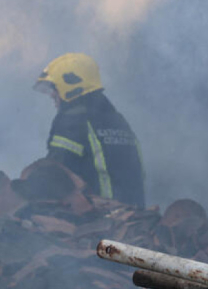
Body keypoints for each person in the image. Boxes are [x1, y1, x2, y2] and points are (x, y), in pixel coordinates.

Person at [32, 53, 146, 207]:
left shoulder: (72, 121)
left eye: (55, 88)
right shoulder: (118, 120)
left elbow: (55, 172)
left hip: (100, 219)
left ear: (71, 85)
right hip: (135, 215)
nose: (52, 95)